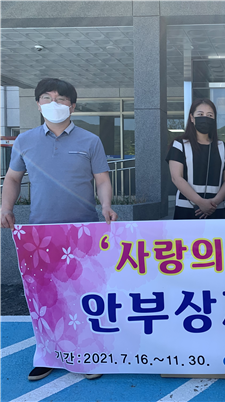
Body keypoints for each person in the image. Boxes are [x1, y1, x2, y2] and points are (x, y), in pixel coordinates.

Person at [0, 78, 117, 381]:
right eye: (47, 98)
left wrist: (106, 204)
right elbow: (12, 178)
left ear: (72, 106)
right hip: (40, 235)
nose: (54, 103)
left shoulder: (90, 141)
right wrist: (6, 207)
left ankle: (87, 354)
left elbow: (102, 179)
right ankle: (48, 354)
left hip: (83, 232)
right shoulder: (25, 141)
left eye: (61, 99)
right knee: (46, 298)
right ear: (38, 104)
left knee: (84, 295)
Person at [166, 98, 225, 219]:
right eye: (200, 114)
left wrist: (214, 203)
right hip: (187, 209)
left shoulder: (222, 147)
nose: (205, 118)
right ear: (192, 118)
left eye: (210, 115)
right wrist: (200, 202)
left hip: (216, 209)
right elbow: (176, 177)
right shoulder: (180, 144)